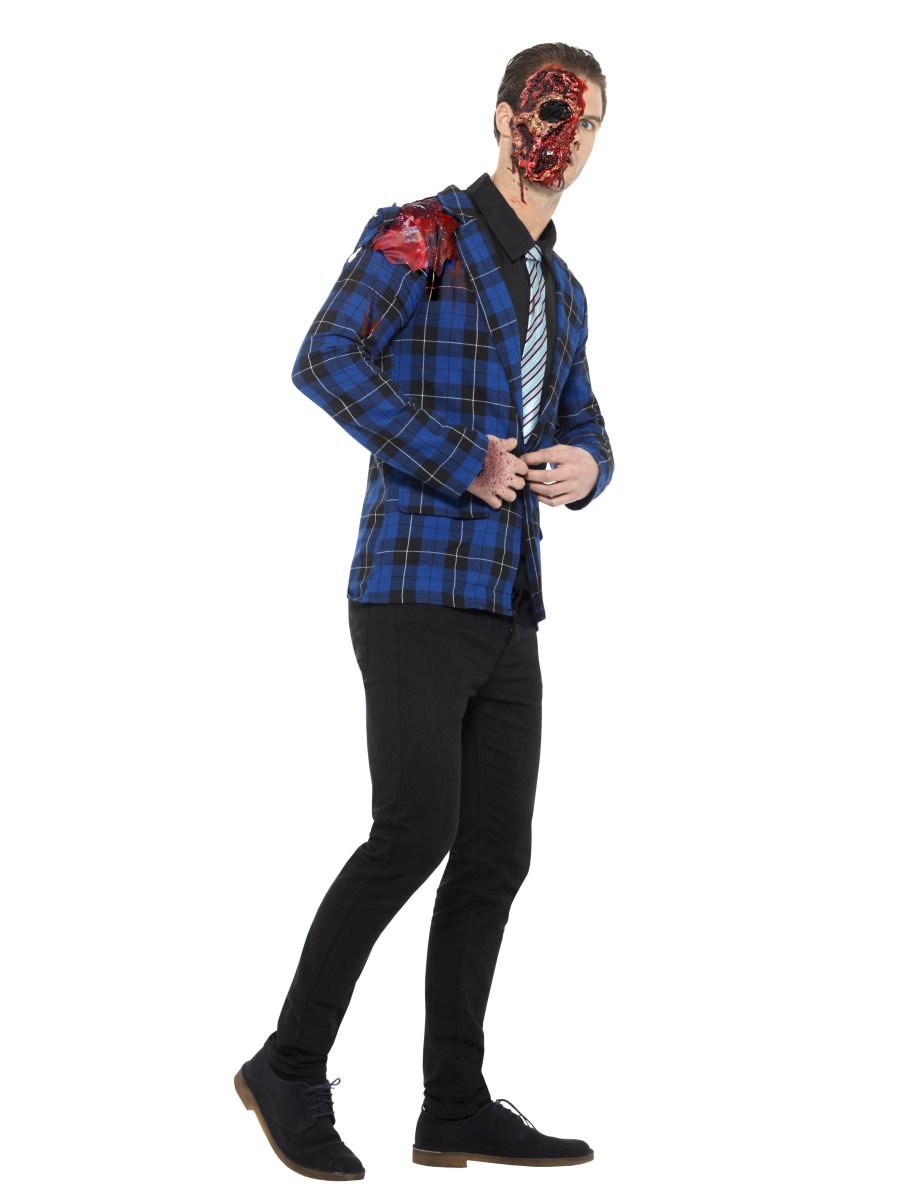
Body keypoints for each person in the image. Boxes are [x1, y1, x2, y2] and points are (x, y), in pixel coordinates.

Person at [234, 41, 615, 1181]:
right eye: (546, 113)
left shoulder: (564, 290)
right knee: (414, 831)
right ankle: (286, 1065)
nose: (561, 141)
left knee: (495, 852)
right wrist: (462, 458)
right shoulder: (423, 234)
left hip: (509, 600)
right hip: (412, 585)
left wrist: (589, 467)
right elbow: (325, 359)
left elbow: (584, 421)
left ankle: (453, 1105)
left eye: (585, 124)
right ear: (502, 116)